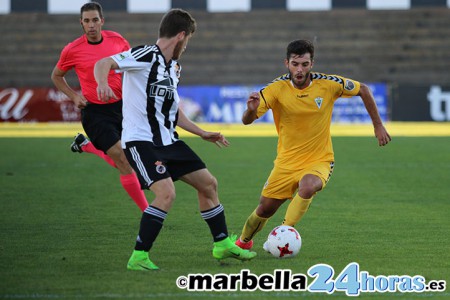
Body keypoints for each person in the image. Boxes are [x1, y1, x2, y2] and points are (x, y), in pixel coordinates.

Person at [94, 8, 257, 270]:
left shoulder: (174, 68)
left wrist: (202, 132)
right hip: (141, 141)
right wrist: (102, 82)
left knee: (208, 184)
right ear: (181, 35)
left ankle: (222, 244)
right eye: (189, 39)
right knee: (166, 193)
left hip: (169, 141)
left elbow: (173, 111)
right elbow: (104, 64)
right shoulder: (145, 54)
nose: (187, 45)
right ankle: (139, 256)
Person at [235, 39, 392, 250]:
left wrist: (378, 125)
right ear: (286, 63)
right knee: (264, 209)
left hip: (319, 160)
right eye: (295, 64)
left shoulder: (328, 84)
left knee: (307, 186)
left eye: (304, 64)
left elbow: (363, 89)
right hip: (286, 163)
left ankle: (282, 234)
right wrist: (251, 110)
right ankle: (243, 243)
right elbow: (246, 120)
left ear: (312, 63)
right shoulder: (275, 89)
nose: (299, 70)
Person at [51, 2, 149, 212]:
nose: (91, 25)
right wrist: (74, 96)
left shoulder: (118, 41)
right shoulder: (72, 49)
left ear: (102, 21)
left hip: (123, 108)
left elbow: (131, 66)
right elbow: (56, 76)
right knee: (123, 161)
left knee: (131, 159)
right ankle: (148, 211)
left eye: (95, 20)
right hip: (95, 112)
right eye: (87, 21)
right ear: (81, 23)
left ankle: (86, 145)